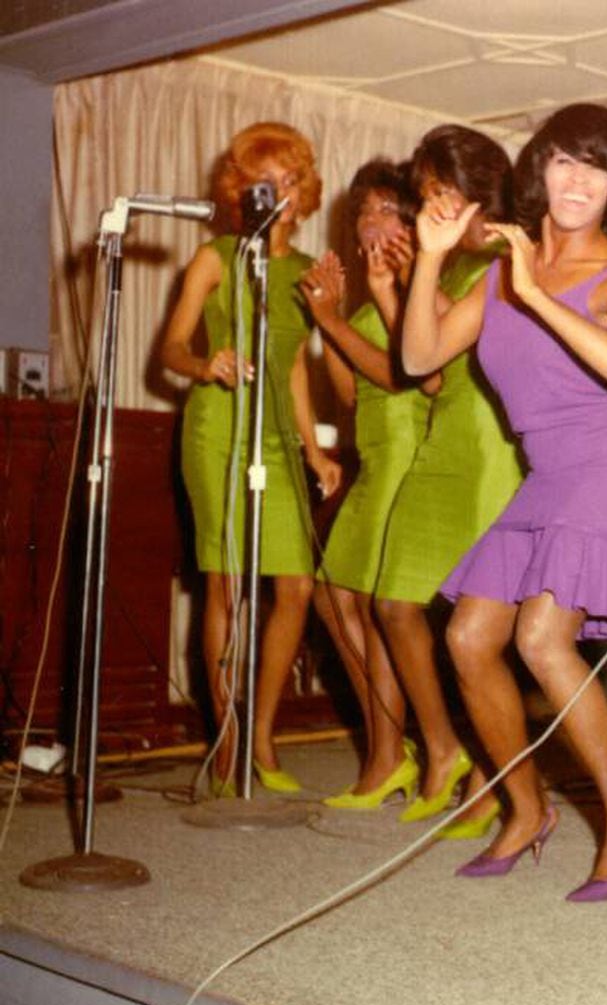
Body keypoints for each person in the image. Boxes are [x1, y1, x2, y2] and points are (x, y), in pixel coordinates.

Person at [403, 103, 607, 901]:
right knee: (468, 636)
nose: (579, 179)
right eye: (563, 161)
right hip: (546, 470)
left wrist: (537, 294)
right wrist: (430, 257)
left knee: (544, 637)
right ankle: (527, 807)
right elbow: (419, 355)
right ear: (539, 172)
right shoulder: (496, 274)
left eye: (598, 166)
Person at [157, 121, 341, 795]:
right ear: (243, 191)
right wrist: (208, 363)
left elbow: (292, 368)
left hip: (276, 440)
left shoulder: (304, 271)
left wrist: (315, 449)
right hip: (217, 432)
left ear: (306, 189)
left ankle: (263, 733)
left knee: (295, 586)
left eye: (291, 182)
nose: (282, 195)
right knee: (227, 586)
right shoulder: (216, 257)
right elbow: (170, 350)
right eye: (267, 184)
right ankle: (228, 739)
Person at [371, 126, 524, 836]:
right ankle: (442, 747)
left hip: (492, 446)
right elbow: (424, 370)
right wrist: (402, 278)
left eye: (444, 187)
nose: (433, 201)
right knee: (395, 601)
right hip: (445, 438)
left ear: (478, 189)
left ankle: (495, 779)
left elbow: (432, 364)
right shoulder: (454, 258)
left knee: (480, 633)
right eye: (427, 190)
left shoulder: (504, 257)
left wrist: (415, 277)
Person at [299, 159, 429, 808]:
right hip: (375, 458)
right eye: (362, 212)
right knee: (337, 602)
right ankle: (389, 749)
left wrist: (332, 324)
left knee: (361, 605)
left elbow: (403, 374)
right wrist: (328, 319)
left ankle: (387, 755)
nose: (368, 222)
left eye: (383, 209)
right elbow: (351, 396)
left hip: (407, 459)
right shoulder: (375, 291)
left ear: (409, 222)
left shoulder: (412, 287)